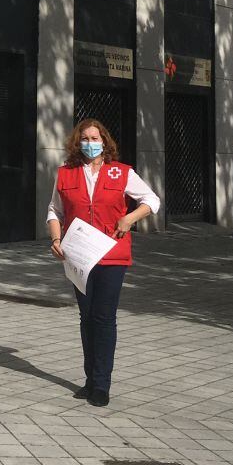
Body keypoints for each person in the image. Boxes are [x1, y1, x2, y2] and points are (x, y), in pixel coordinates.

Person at [47, 119, 160, 407]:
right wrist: (56, 240)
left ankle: (102, 384)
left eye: (95, 137)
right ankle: (89, 379)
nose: (90, 143)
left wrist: (129, 218)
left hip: (112, 255)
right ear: (77, 143)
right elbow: (54, 210)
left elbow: (151, 200)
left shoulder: (121, 172)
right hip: (79, 257)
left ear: (104, 140)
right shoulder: (66, 173)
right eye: (84, 138)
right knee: (86, 318)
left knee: (104, 317)